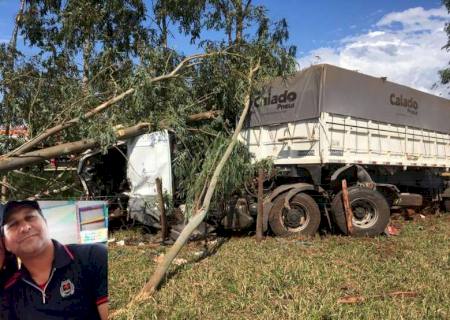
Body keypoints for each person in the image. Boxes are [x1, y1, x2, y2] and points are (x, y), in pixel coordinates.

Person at [1, 200, 108, 320]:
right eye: (13, 224)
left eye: (30, 217)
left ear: (46, 223)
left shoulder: (94, 257)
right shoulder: (9, 292)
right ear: (5, 243)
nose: (25, 227)